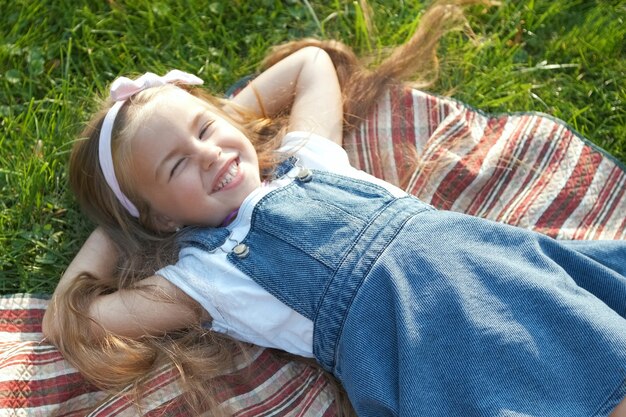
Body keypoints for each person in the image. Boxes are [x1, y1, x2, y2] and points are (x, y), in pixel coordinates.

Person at [42, 1, 626, 416]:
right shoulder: (200, 281)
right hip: (415, 344)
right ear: (163, 218)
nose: (209, 153)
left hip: (486, 267)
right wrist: (120, 229)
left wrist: (221, 121)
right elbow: (71, 320)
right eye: (176, 166)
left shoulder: (307, 159)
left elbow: (311, 66)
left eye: (206, 130)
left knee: (599, 348)